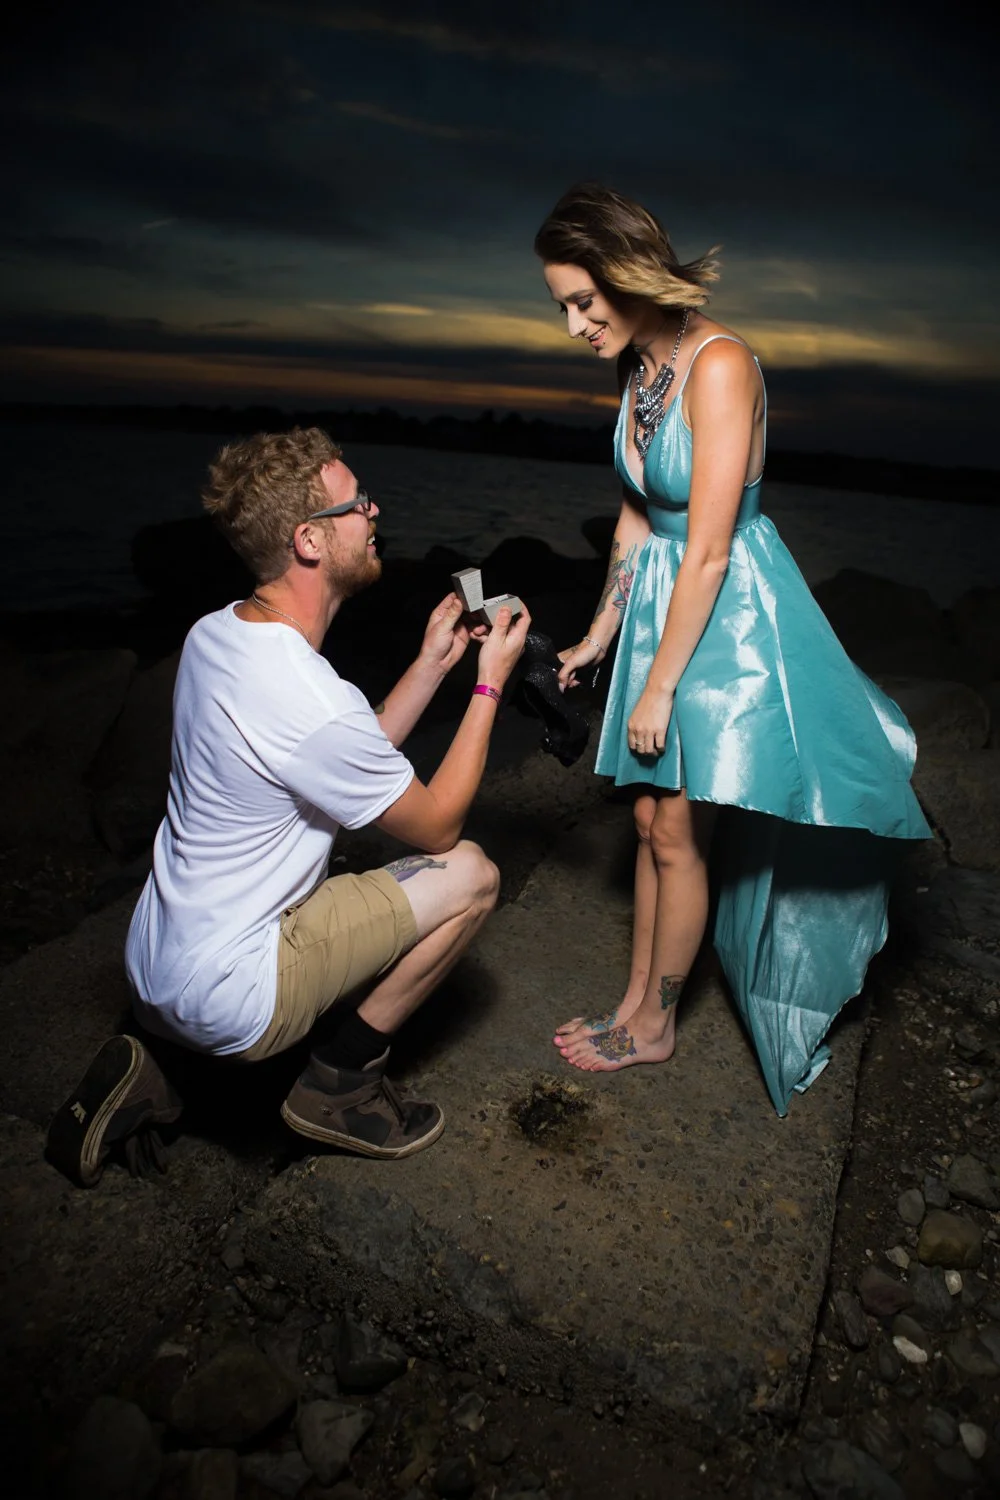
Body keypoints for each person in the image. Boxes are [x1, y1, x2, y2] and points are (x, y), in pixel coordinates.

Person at [534, 183, 930, 1113]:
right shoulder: (639, 366)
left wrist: (661, 684)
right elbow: (637, 520)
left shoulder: (719, 365)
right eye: (561, 306)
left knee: (677, 827)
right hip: (661, 603)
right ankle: (634, 1002)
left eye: (583, 301)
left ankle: (658, 1024)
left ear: (632, 274)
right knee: (647, 821)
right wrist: (598, 636)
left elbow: (708, 544)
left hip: (723, 613)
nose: (571, 324)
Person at [47, 427, 529, 1185]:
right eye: (357, 504)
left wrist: (433, 663)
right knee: (469, 873)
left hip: (153, 967)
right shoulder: (307, 695)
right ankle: (340, 1088)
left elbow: (339, 753)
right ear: (309, 539)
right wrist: (489, 681)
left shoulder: (217, 634)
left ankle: (158, 1065)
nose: (375, 513)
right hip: (233, 994)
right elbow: (436, 822)